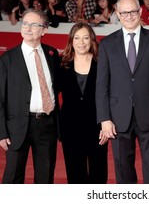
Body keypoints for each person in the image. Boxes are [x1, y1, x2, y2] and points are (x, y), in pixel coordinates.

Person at [96, 0, 149, 184]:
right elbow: (102, 84)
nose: (129, 16)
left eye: (132, 11)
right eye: (124, 12)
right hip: (118, 117)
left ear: (140, 11)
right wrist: (104, 119)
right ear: (117, 13)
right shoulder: (107, 44)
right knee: (123, 168)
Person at [0, 9, 60, 183]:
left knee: (45, 178)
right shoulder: (7, 59)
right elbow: (0, 99)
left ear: (44, 29)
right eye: (25, 23)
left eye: (33, 24)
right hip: (17, 126)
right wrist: (1, 132)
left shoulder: (52, 55)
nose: (27, 28)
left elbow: (57, 87)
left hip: (47, 124)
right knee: (13, 177)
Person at [58, 23, 108, 183]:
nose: (81, 42)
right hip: (70, 129)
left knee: (98, 173)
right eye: (77, 38)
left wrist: (107, 123)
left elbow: (110, 95)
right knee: (75, 174)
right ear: (71, 41)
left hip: (97, 128)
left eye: (86, 37)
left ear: (92, 40)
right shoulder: (61, 64)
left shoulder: (102, 64)